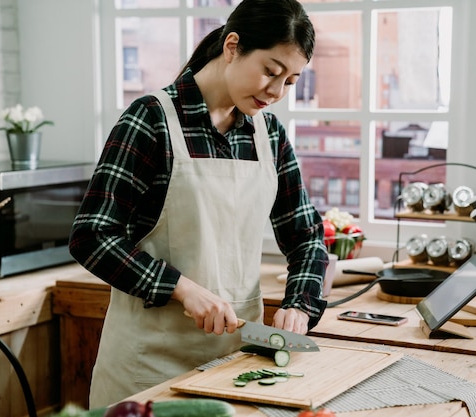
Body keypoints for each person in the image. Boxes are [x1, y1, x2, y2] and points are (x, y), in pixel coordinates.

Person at [69, 0, 328, 408]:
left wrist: (299, 304)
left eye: (291, 81)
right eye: (270, 72)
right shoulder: (150, 119)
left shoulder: (269, 135)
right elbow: (92, 236)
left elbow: (307, 236)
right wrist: (182, 289)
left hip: (238, 363)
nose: (276, 92)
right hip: (148, 368)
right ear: (232, 46)